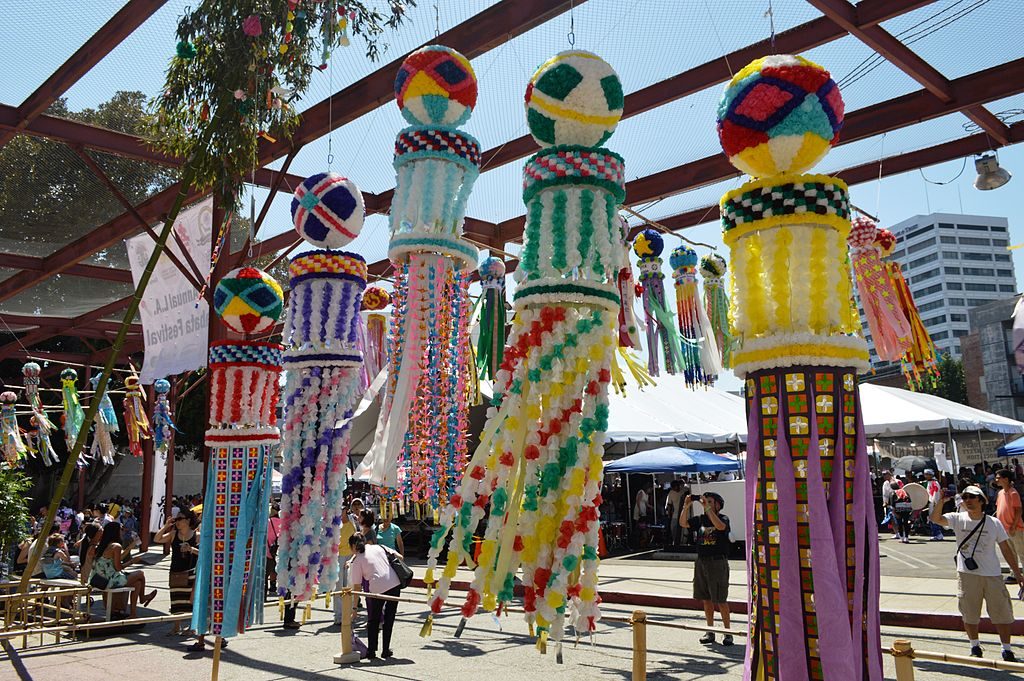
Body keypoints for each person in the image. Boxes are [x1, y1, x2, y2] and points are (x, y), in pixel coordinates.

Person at [931, 485, 1024, 661]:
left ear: (981, 501)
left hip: (992, 574)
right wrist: (941, 501)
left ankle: (1006, 648)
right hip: (967, 574)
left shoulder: (993, 522)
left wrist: (1018, 573)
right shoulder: (957, 518)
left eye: (972, 497)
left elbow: (1005, 548)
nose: (968, 501)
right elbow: (935, 518)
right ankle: (974, 645)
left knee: (1002, 613)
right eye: (965, 497)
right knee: (969, 612)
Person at [682, 492, 733, 646]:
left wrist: (708, 509)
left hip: (717, 562)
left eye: (711, 501)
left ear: (718, 505)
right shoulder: (699, 520)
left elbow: (720, 527)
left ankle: (728, 633)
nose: (707, 504)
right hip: (702, 562)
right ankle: (709, 631)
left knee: (721, 599)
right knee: (706, 599)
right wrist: (686, 505)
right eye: (706, 501)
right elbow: (683, 523)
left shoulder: (723, 518)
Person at [348, 533, 402, 660]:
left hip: (377, 588)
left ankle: (371, 651)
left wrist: (354, 609)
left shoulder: (357, 560)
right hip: (394, 583)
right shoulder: (379, 547)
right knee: (389, 618)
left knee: (373, 620)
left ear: (353, 546)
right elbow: (400, 556)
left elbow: (357, 587)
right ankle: (385, 650)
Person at [88, 521, 156, 617]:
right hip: (110, 581)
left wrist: (130, 547)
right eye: (121, 529)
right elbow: (118, 567)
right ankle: (143, 598)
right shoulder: (116, 546)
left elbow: (116, 560)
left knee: (137, 583)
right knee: (140, 573)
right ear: (115, 531)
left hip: (97, 579)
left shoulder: (102, 546)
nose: (122, 532)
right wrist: (132, 561)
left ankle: (133, 614)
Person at [154, 509, 199, 633]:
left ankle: (192, 626)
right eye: (176, 519)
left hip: (191, 571)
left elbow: (205, 554)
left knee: (191, 600)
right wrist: (166, 526)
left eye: (180, 519)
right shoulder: (174, 534)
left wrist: (191, 549)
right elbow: (157, 539)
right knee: (176, 600)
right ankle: (176, 626)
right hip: (176, 570)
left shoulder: (196, 535)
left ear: (188, 520)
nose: (177, 522)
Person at [332, 500, 361, 627]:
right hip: (338, 557)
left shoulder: (352, 520)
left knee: (350, 585)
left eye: (342, 509)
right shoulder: (334, 523)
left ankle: (349, 614)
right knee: (338, 587)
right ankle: (338, 616)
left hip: (351, 555)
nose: (341, 512)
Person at [996, 470, 1024, 584]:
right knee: (1011, 553)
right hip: (1004, 529)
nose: (996, 480)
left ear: (1006, 479)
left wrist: (1013, 526)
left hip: (1015, 528)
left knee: (1021, 552)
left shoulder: (1013, 493)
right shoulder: (1000, 493)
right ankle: (1014, 574)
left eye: (999, 477)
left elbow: (1018, 510)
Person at [923, 470, 945, 541]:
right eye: (925, 474)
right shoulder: (929, 482)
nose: (925, 476)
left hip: (934, 503)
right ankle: (935, 534)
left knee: (934, 518)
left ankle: (938, 534)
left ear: (931, 475)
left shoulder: (934, 483)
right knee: (931, 518)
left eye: (927, 474)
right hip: (931, 503)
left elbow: (935, 493)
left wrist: (935, 502)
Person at [665, 481, 684, 548]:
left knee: (673, 528)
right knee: (678, 529)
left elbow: (669, 505)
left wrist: (669, 514)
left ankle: (676, 542)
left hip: (676, 515)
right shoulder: (683, 491)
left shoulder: (672, 493)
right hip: (682, 514)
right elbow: (669, 505)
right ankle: (679, 542)